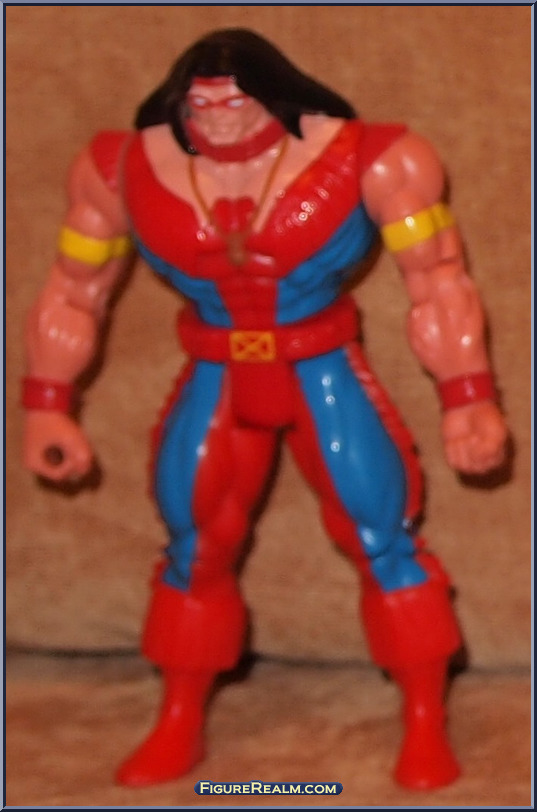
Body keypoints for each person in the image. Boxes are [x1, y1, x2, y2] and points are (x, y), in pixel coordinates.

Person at [22, 29, 507, 790]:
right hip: (216, 370)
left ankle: (423, 720)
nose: (217, 117)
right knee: (193, 545)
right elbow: (74, 288)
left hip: (320, 366)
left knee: (382, 535)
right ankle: (178, 716)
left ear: (272, 96)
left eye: (235, 101)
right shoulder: (120, 168)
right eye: (200, 103)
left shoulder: (376, 159)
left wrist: (466, 395)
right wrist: (48, 402)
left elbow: (438, 280)